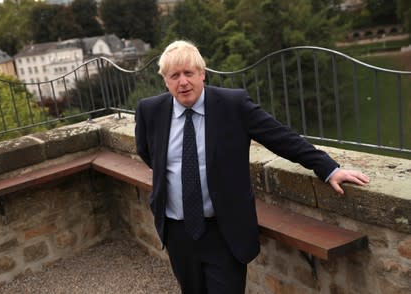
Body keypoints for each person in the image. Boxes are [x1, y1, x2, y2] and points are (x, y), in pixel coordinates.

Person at [135, 40, 369, 294]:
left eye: (189, 73)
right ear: (165, 81)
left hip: (223, 230)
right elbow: (149, 154)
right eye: (174, 76)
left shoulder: (232, 105)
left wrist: (328, 169)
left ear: (202, 74)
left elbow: (280, 137)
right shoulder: (150, 111)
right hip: (177, 231)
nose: (183, 82)